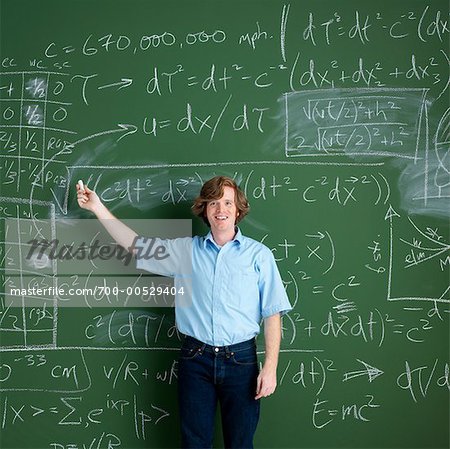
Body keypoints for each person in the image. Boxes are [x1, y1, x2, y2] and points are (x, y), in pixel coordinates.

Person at [77, 175, 292, 449]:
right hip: (196, 359)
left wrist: (271, 367)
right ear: (204, 210)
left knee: (240, 443)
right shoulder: (185, 251)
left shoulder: (259, 255)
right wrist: (98, 208)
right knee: (194, 444)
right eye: (213, 203)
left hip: (241, 362)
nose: (221, 209)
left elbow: (273, 313)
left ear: (238, 209)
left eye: (227, 202)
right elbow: (136, 246)